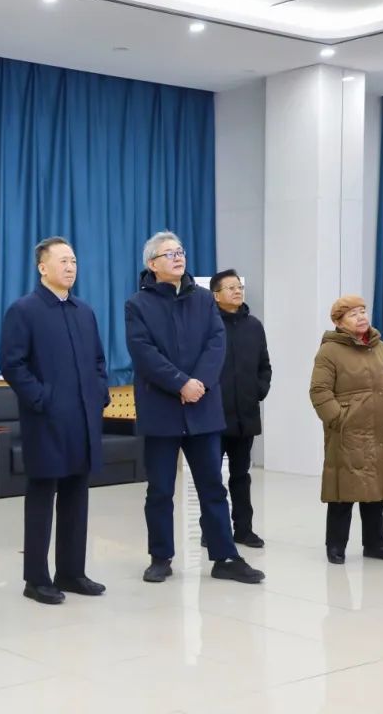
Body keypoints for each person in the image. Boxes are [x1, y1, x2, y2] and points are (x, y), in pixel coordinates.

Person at [125, 232, 265, 585]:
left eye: (180, 251)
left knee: (212, 486)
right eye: (169, 254)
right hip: (161, 409)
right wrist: (180, 383)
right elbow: (143, 352)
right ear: (152, 263)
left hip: (202, 407)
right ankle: (160, 557)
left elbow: (217, 343)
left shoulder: (203, 300)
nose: (178, 257)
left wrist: (198, 382)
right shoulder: (137, 305)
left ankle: (225, 557)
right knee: (160, 490)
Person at [0, 237, 109, 605]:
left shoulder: (84, 311)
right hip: (46, 420)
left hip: (83, 418)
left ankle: (72, 572)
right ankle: (36, 578)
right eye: (62, 261)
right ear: (42, 267)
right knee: (42, 497)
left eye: (73, 260)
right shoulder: (24, 310)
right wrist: (42, 399)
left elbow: (98, 361)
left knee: (77, 495)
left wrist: (98, 394)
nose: (70, 267)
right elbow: (13, 364)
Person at [309, 295, 383, 565]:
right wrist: (339, 419)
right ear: (339, 322)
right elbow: (319, 391)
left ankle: (376, 544)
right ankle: (336, 546)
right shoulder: (329, 351)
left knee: (376, 489)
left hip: (382, 428)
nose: (361, 317)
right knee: (343, 491)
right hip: (349, 431)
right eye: (353, 314)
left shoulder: (381, 347)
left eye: (363, 311)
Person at [210, 269, 271, 548]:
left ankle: (244, 530)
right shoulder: (208, 325)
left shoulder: (254, 326)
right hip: (213, 417)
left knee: (241, 477)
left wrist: (259, 390)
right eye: (231, 287)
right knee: (211, 479)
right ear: (216, 295)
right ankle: (212, 530)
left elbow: (264, 366)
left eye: (239, 287)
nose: (237, 291)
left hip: (245, 416)